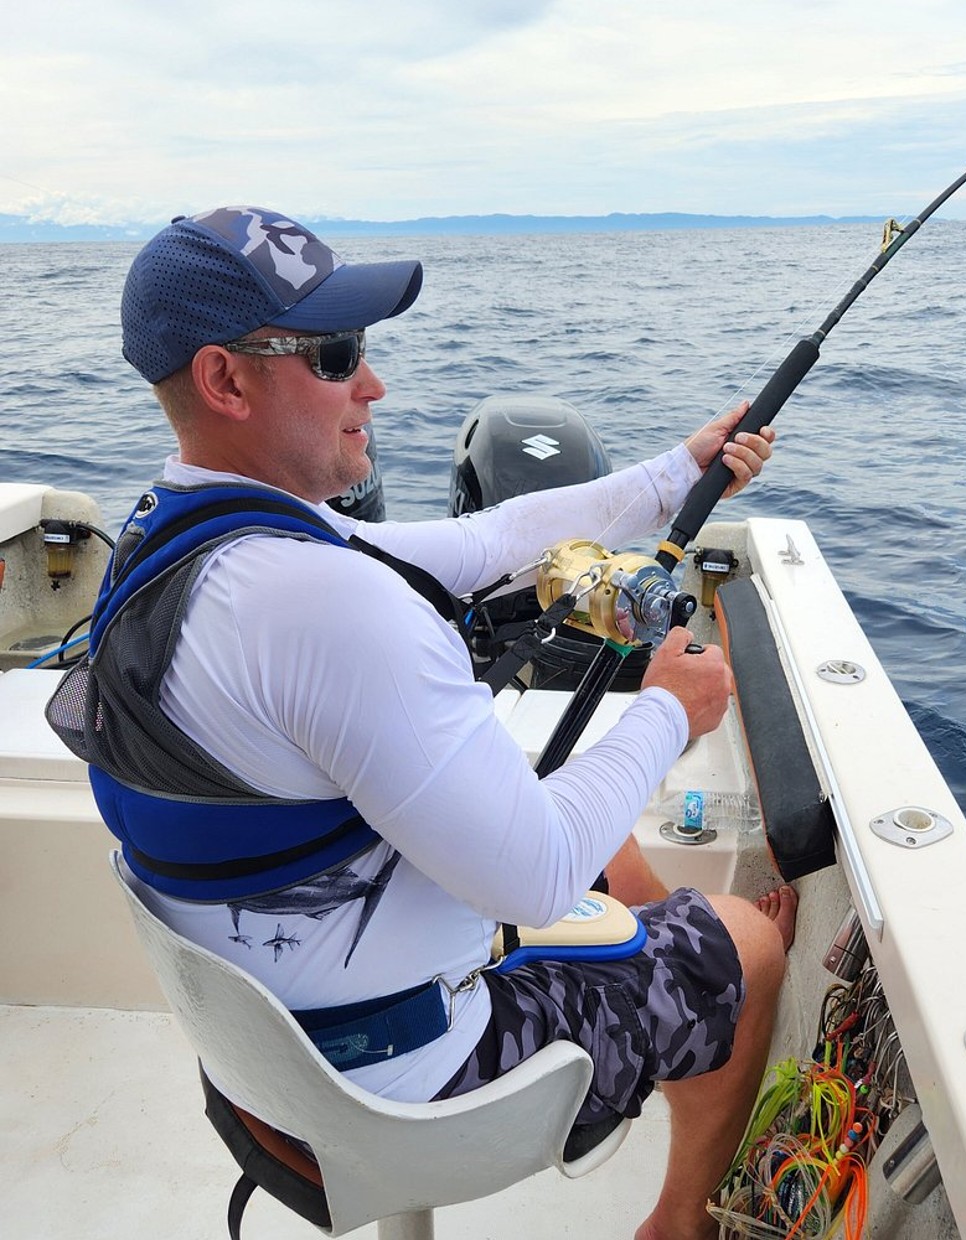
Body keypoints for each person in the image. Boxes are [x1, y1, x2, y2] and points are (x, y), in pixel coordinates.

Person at [54, 206, 797, 1240]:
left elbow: (487, 538)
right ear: (225, 381)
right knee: (746, 942)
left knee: (604, 842)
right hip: (408, 1084)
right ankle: (677, 1225)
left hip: (265, 1051)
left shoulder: (168, 535)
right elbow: (534, 876)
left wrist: (683, 468)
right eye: (336, 354)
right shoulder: (327, 607)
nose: (374, 384)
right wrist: (671, 710)